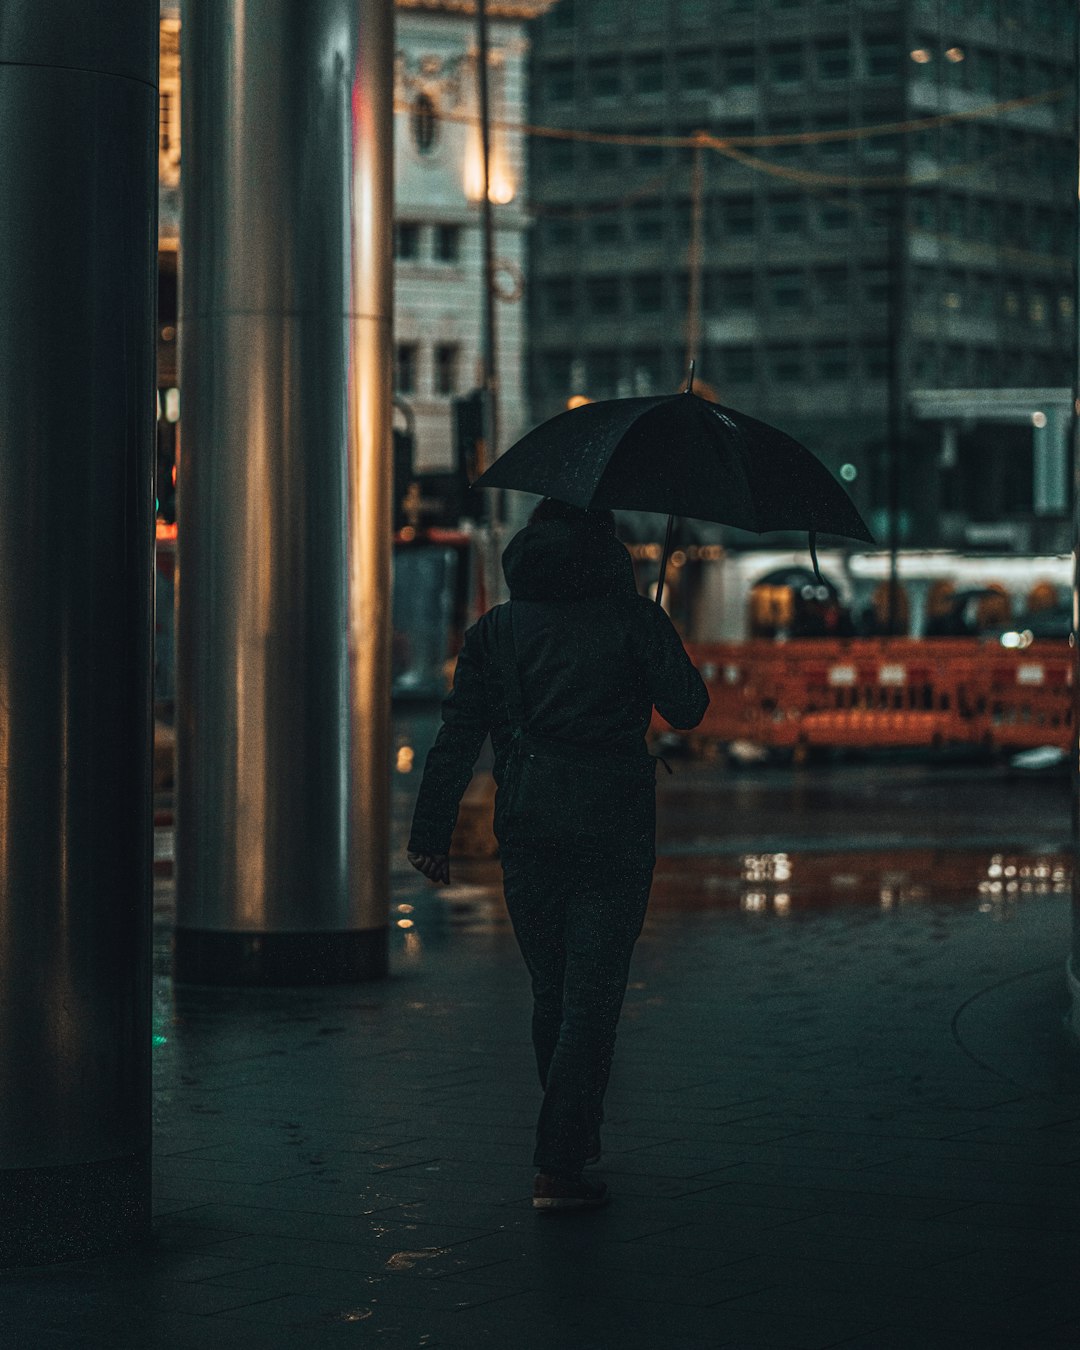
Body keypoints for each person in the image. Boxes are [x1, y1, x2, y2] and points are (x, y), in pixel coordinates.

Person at [406, 499, 709, 1212]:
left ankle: (570, 1139)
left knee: (554, 991)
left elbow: (459, 736)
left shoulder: (497, 631)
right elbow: (689, 709)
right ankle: (560, 1162)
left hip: (528, 822)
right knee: (592, 1001)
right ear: (607, 550)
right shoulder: (633, 620)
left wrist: (430, 833)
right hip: (613, 827)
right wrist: (653, 634)